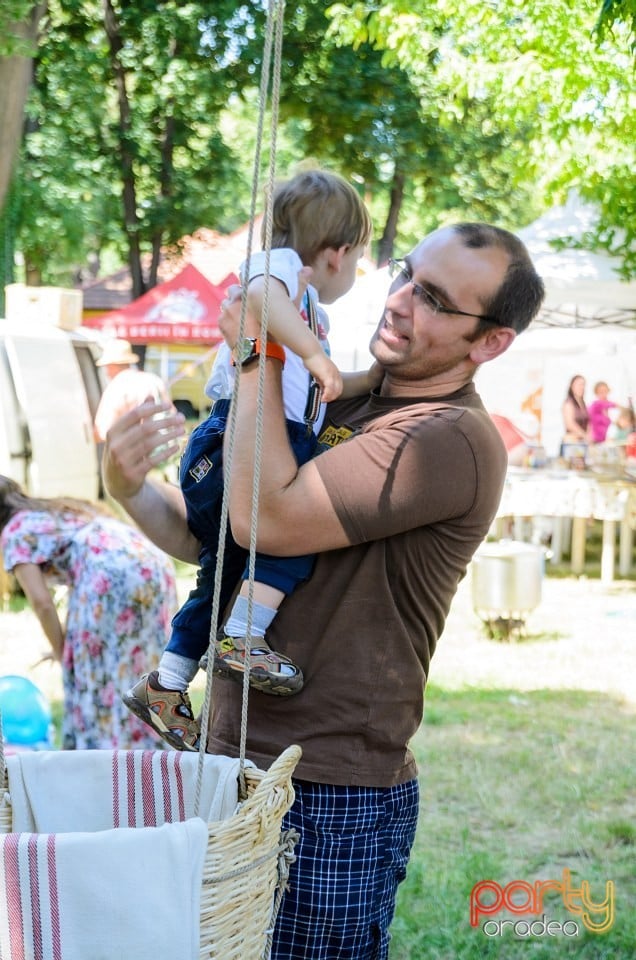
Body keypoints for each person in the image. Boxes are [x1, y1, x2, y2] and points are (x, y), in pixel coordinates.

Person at [102, 221, 545, 959]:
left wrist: (259, 347)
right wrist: (126, 489)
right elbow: (212, 543)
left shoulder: (447, 438)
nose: (400, 301)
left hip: (329, 793)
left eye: (434, 299)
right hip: (229, 755)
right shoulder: (341, 396)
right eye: (407, 274)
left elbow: (268, 518)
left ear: (489, 341)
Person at [123, 169, 377, 751]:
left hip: (248, 440)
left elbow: (327, 387)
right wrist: (312, 352)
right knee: (295, 531)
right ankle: (243, 635)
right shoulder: (281, 269)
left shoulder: (310, 310)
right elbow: (260, 302)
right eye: (360, 259)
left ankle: (166, 681)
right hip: (238, 436)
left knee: (223, 569)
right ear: (336, 254)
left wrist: (373, 378)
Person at [0, 476, 177, 750]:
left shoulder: (13, 531)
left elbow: (42, 602)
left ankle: (104, 761)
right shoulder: (55, 511)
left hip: (105, 576)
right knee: (140, 671)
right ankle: (152, 759)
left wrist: (62, 653)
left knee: (95, 683)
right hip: (150, 563)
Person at [94, 338, 169, 443]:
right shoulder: (154, 380)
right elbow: (171, 414)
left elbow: (103, 432)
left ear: (111, 365)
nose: (106, 372)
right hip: (162, 450)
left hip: (135, 453)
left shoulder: (116, 387)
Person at [561, 373, 590, 443]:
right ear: (572, 386)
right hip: (572, 442)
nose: (581, 387)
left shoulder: (583, 404)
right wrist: (584, 435)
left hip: (583, 441)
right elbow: (570, 424)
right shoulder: (568, 403)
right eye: (579, 384)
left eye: (583, 384)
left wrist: (588, 435)